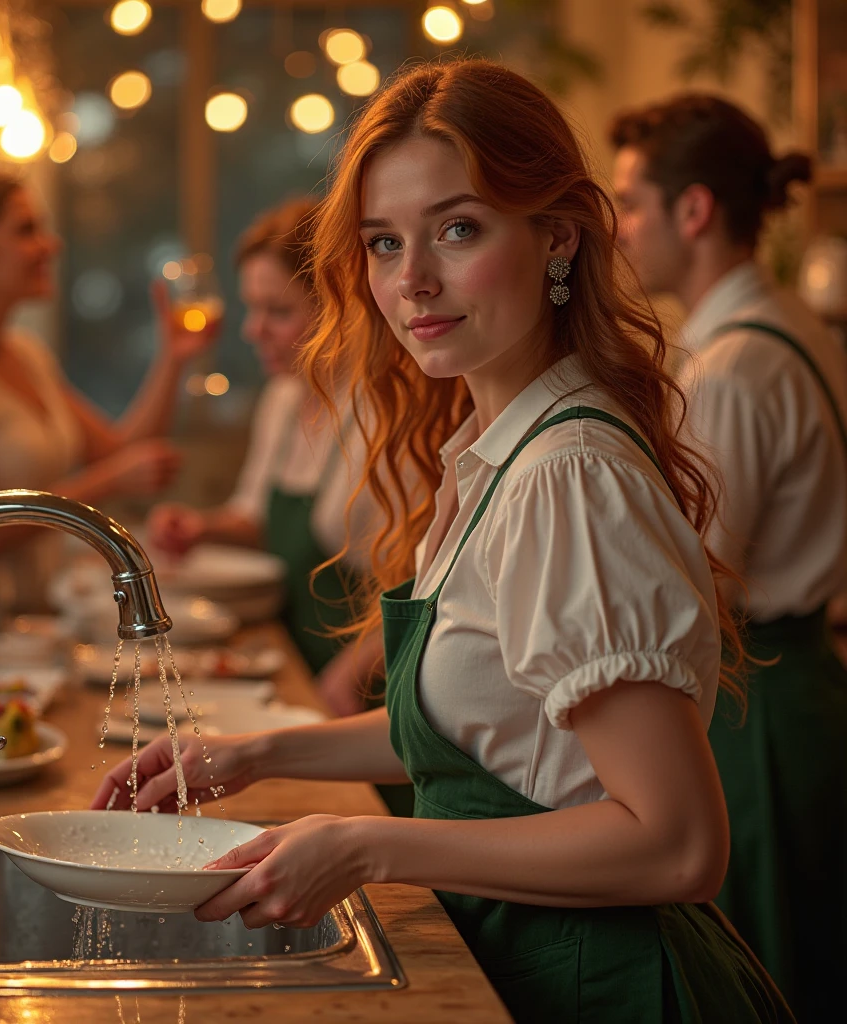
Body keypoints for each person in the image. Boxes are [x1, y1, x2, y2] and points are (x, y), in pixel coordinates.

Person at [96, 60, 792, 1021]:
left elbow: (676, 843)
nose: (411, 279)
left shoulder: (567, 475)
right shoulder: (496, 452)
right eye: (384, 243)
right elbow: (487, 732)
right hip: (527, 951)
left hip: (601, 978)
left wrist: (370, 844)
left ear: (556, 238)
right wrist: (258, 754)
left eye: (457, 229)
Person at [612, 94, 847, 1022]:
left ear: (695, 211)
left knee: (768, 977)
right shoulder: (784, 321)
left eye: (633, 204)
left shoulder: (734, 367)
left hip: (761, 707)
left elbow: (694, 582)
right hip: (795, 688)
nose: (621, 230)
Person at [0, 172, 213, 609]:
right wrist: (106, 483)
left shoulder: (27, 356)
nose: (51, 246)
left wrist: (174, 358)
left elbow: (122, 451)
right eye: (26, 231)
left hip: (44, 619)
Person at [147, 199, 391, 715]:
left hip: (362, 697)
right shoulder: (283, 399)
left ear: (342, 304)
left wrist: (351, 675)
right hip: (290, 668)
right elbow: (256, 519)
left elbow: (426, 589)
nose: (252, 330)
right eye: (252, 308)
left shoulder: (380, 412)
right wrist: (201, 528)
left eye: (277, 312)